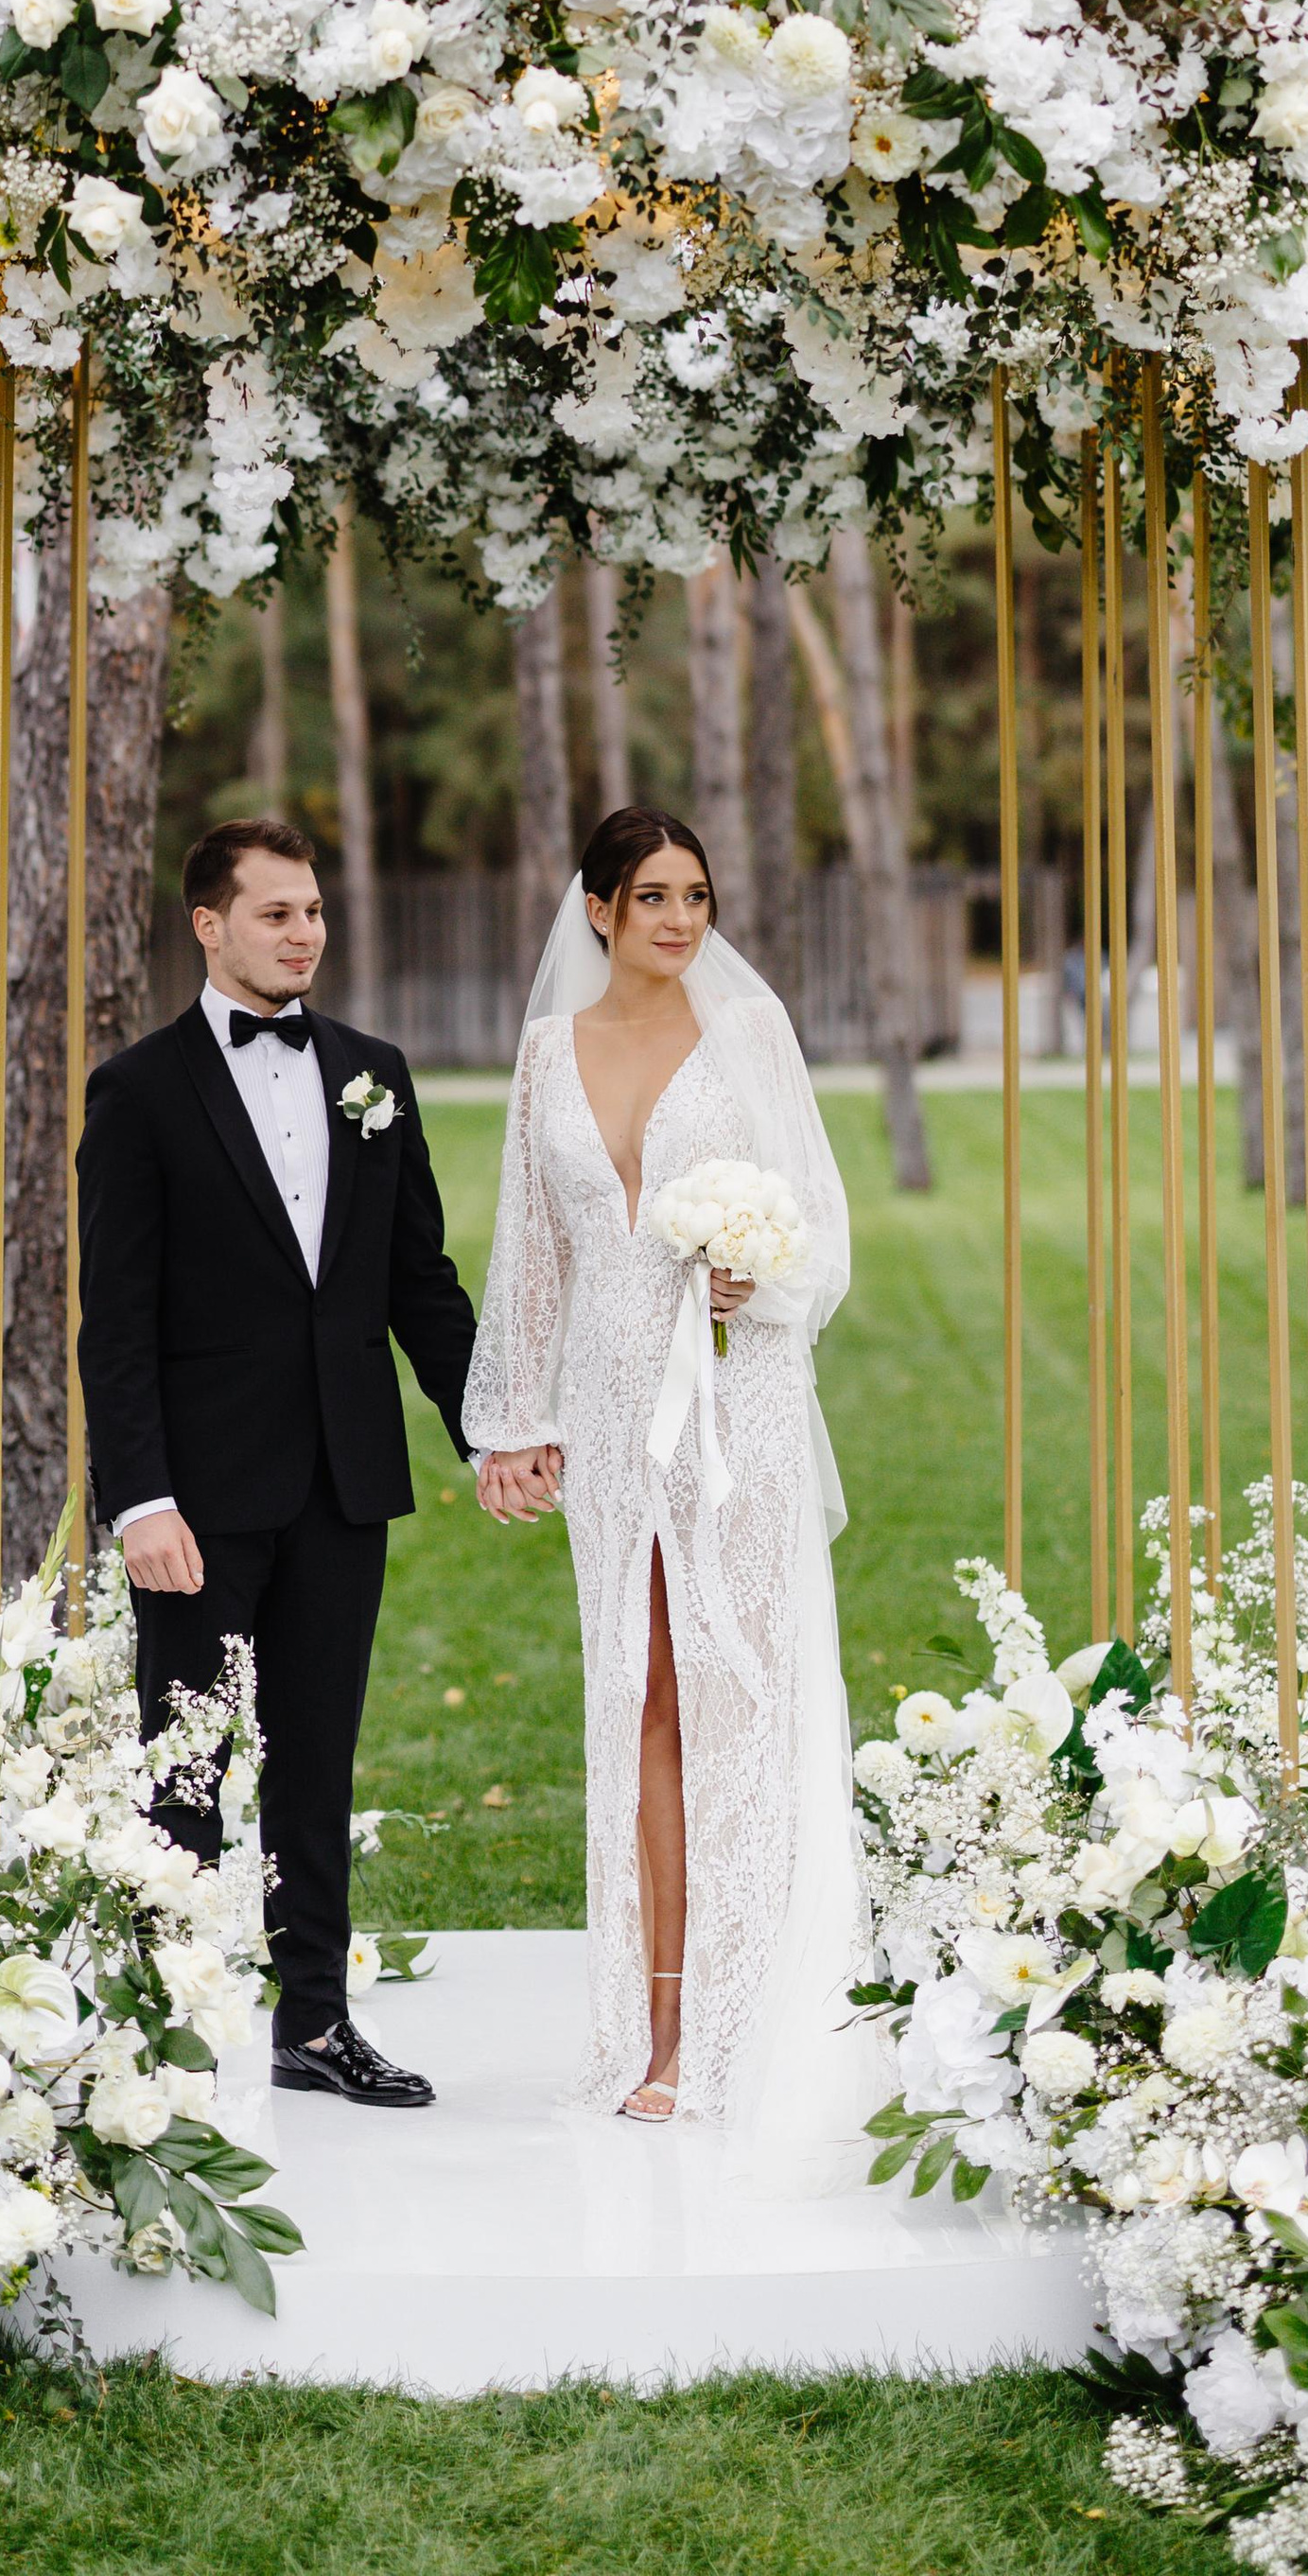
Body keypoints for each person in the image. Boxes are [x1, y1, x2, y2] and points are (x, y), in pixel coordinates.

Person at [465, 806, 867, 2175]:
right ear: (595, 910)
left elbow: (817, 1222)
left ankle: (743, 2025)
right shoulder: (542, 1061)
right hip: (602, 1404)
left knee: (732, 1692)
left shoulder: (750, 1038)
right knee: (634, 1697)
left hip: (735, 1403)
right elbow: (530, 1246)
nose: (682, 920)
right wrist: (510, 1422)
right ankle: (655, 2029)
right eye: (651, 897)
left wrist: (765, 1280)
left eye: (696, 893)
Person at [76, 815, 478, 2110]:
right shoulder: (138, 1091)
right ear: (209, 924)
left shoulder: (375, 1072)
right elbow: (114, 1320)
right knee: (183, 1769)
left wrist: (490, 1430)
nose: (304, 933)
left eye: (312, 911)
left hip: (340, 1480)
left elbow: (420, 1282)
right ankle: (160, 2040)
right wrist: (140, 1498)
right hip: (193, 1497)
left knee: (317, 1757)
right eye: (276, 913)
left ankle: (314, 2024)